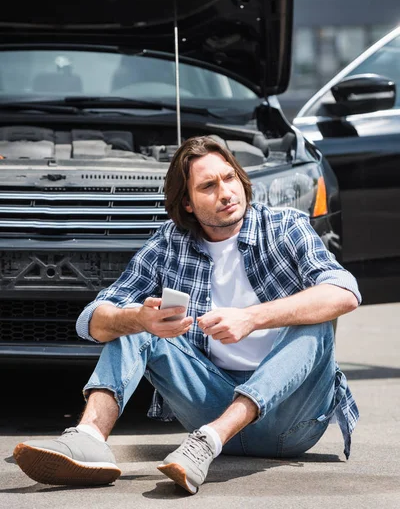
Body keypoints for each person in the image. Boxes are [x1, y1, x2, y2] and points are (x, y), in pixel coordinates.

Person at [13, 136, 361, 494]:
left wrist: (251, 318)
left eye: (230, 178)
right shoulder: (170, 242)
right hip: (209, 403)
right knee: (135, 319)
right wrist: (138, 320)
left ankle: (209, 442)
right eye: (209, 186)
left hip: (291, 422)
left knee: (315, 321)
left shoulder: (285, 227)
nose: (226, 193)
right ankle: (88, 440)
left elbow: (345, 292)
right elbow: (92, 320)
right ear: (188, 203)